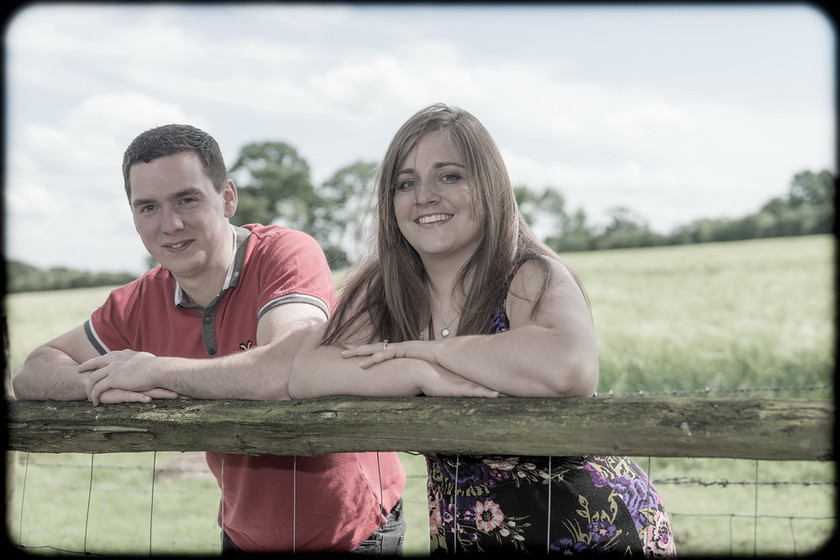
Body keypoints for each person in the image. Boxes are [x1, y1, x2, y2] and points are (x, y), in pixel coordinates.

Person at [289, 104, 676, 556]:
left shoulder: (530, 274)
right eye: (406, 183)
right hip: (471, 538)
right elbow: (308, 372)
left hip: (590, 532)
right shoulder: (387, 288)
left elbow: (570, 367)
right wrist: (418, 374)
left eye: (449, 176)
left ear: (488, 186)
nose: (425, 196)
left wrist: (431, 352)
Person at [11, 124, 407, 555]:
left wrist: (155, 370)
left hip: (352, 530)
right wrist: (99, 382)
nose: (170, 224)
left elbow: (286, 369)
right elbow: (33, 371)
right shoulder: (140, 299)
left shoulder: (283, 254)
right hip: (241, 534)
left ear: (228, 198)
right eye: (147, 207)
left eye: (187, 199)